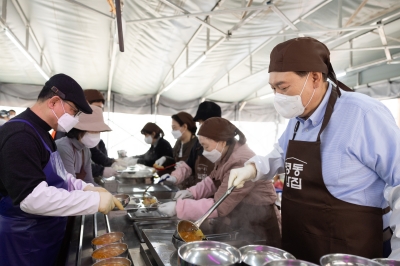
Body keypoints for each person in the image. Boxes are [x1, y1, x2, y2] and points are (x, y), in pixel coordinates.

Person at [227, 37, 400, 261]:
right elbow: (281, 152)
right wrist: (252, 169)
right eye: (273, 88)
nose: (278, 96)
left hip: (352, 250)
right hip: (301, 245)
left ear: (315, 78)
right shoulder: (298, 117)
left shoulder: (363, 114)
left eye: (283, 87)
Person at [0, 74, 122, 266]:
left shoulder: (42, 133)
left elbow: (60, 176)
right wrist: (93, 200)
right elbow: (32, 199)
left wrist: (86, 188)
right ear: (54, 102)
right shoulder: (20, 135)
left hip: (45, 232)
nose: (74, 119)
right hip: (24, 239)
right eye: (73, 111)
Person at [158, 118, 281, 246]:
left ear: (222, 142)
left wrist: (179, 208)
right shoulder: (226, 153)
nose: (204, 151)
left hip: (259, 221)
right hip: (241, 216)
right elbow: (212, 180)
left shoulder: (240, 160)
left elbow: (220, 205)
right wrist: (191, 193)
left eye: (206, 146)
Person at [158, 101, 221, 187]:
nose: (202, 126)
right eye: (200, 123)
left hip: (218, 196)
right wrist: (175, 177)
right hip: (198, 191)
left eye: (204, 122)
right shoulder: (198, 144)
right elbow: (188, 166)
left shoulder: (225, 144)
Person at [56, 105, 111, 185]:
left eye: (98, 131)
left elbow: (88, 181)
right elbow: (70, 185)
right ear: (80, 129)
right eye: (93, 130)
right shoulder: (64, 147)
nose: (96, 134)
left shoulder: (85, 150)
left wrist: (104, 192)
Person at [83, 89, 118, 180]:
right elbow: (76, 165)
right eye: (96, 108)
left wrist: (111, 162)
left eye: (101, 109)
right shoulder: (70, 130)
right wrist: (101, 170)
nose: (99, 112)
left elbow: (94, 153)